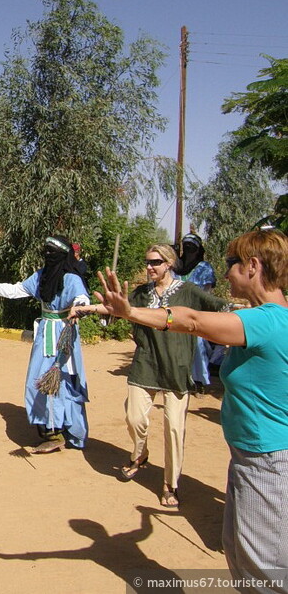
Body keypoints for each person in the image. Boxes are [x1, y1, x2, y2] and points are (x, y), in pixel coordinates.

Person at [94, 229, 288, 591]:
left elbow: (193, 320)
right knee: (241, 554)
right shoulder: (268, 318)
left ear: (253, 266)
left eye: (232, 263)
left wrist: (133, 311)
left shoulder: (266, 321)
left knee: (265, 569)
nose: (225, 271)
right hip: (251, 458)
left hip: (268, 461)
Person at [71, 243, 230, 508]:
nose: (149, 267)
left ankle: (171, 483)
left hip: (176, 368)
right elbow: (118, 310)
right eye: (147, 262)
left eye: (155, 262)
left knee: (175, 429)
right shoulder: (142, 294)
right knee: (134, 418)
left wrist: (255, 315)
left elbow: (221, 308)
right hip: (145, 364)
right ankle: (140, 454)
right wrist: (86, 309)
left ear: (168, 263)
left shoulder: (188, 292)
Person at [0, 235, 90, 453]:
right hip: (44, 335)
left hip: (63, 334)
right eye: (46, 251)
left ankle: (60, 432)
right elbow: (15, 291)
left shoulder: (71, 279)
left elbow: (82, 299)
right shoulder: (42, 276)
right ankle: (55, 429)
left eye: (53, 252)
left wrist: (78, 308)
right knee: (41, 381)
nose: (48, 256)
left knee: (62, 381)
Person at [174, 233, 218, 392]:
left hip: (196, 312)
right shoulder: (176, 267)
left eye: (191, 247)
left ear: (198, 249)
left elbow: (205, 293)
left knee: (197, 345)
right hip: (175, 311)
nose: (188, 249)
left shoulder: (204, 268)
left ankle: (199, 381)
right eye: (186, 246)